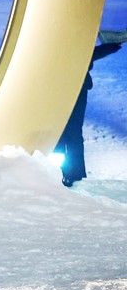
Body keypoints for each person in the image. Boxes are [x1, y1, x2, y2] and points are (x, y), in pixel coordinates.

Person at [56, 41, 122, 186]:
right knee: (63, 133)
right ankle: (66, 174)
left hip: (75, 87)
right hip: (60, 87)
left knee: (70, 133)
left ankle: (75, 176)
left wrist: (108, 47)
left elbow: (86, 54)